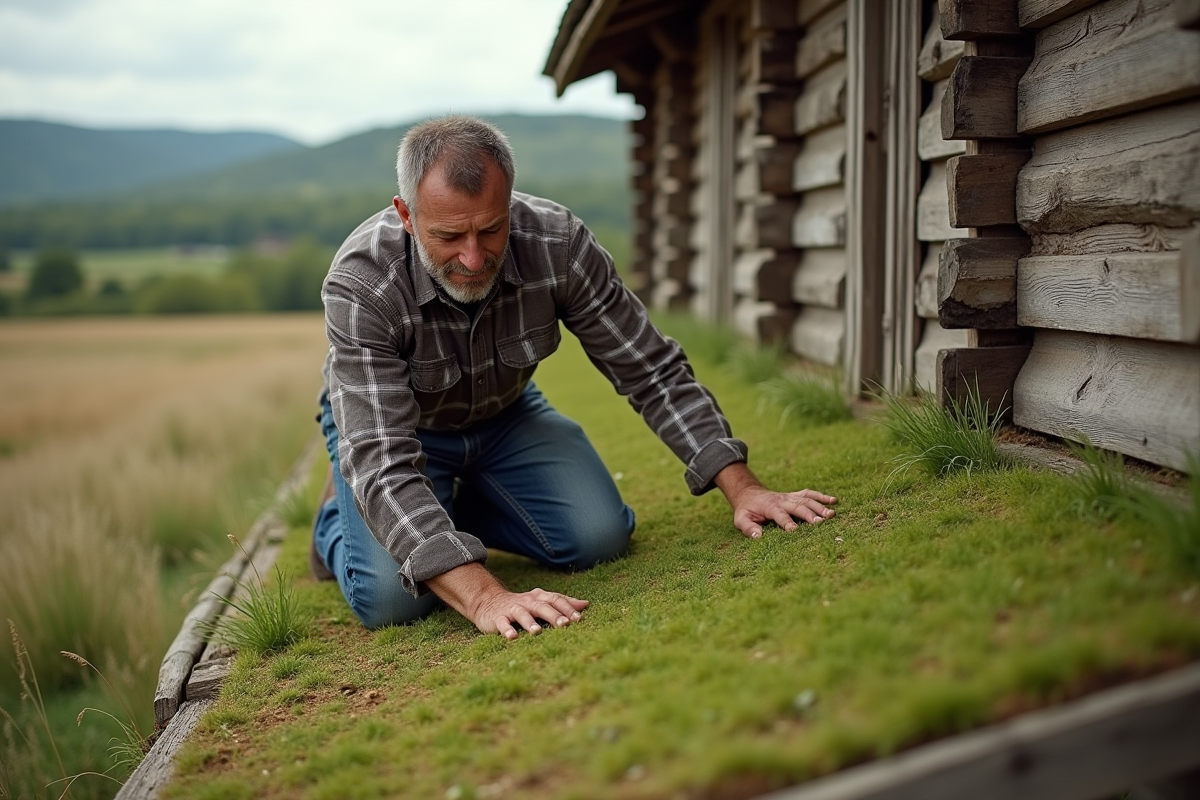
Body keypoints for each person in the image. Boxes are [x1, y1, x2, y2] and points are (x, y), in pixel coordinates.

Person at [313, 114, 837, 640]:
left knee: (600, 537)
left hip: (504, 414)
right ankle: (337, 521)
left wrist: (743, 487)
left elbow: (649, 367)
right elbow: (382, 457)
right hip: (394, 434)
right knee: (390, 600)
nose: (474, 257)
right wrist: (485, 596)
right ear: (406, 214)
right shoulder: (362, 283)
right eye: (449, 236)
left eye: (491, 228)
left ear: (511, 202)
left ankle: (443, 507)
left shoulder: (558, 242)